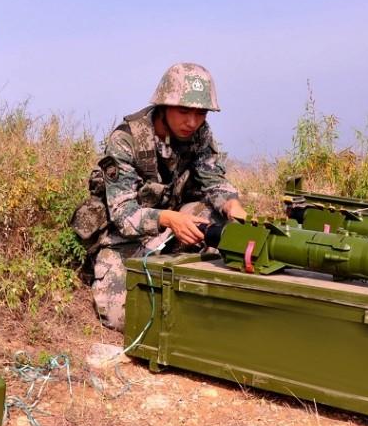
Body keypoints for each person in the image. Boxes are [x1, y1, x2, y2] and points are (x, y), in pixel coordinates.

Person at [72, 63, 245, 331]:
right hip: (125, 238)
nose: (192, 122)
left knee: (225, 226)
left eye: (201, 113)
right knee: (123, 317)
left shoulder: (200, 135)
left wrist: (232, 205)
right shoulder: (126, 140)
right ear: (164, 106)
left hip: (171, 228)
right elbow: (123, 216)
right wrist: (169, 219)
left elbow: (213, 181)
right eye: (184, 111)